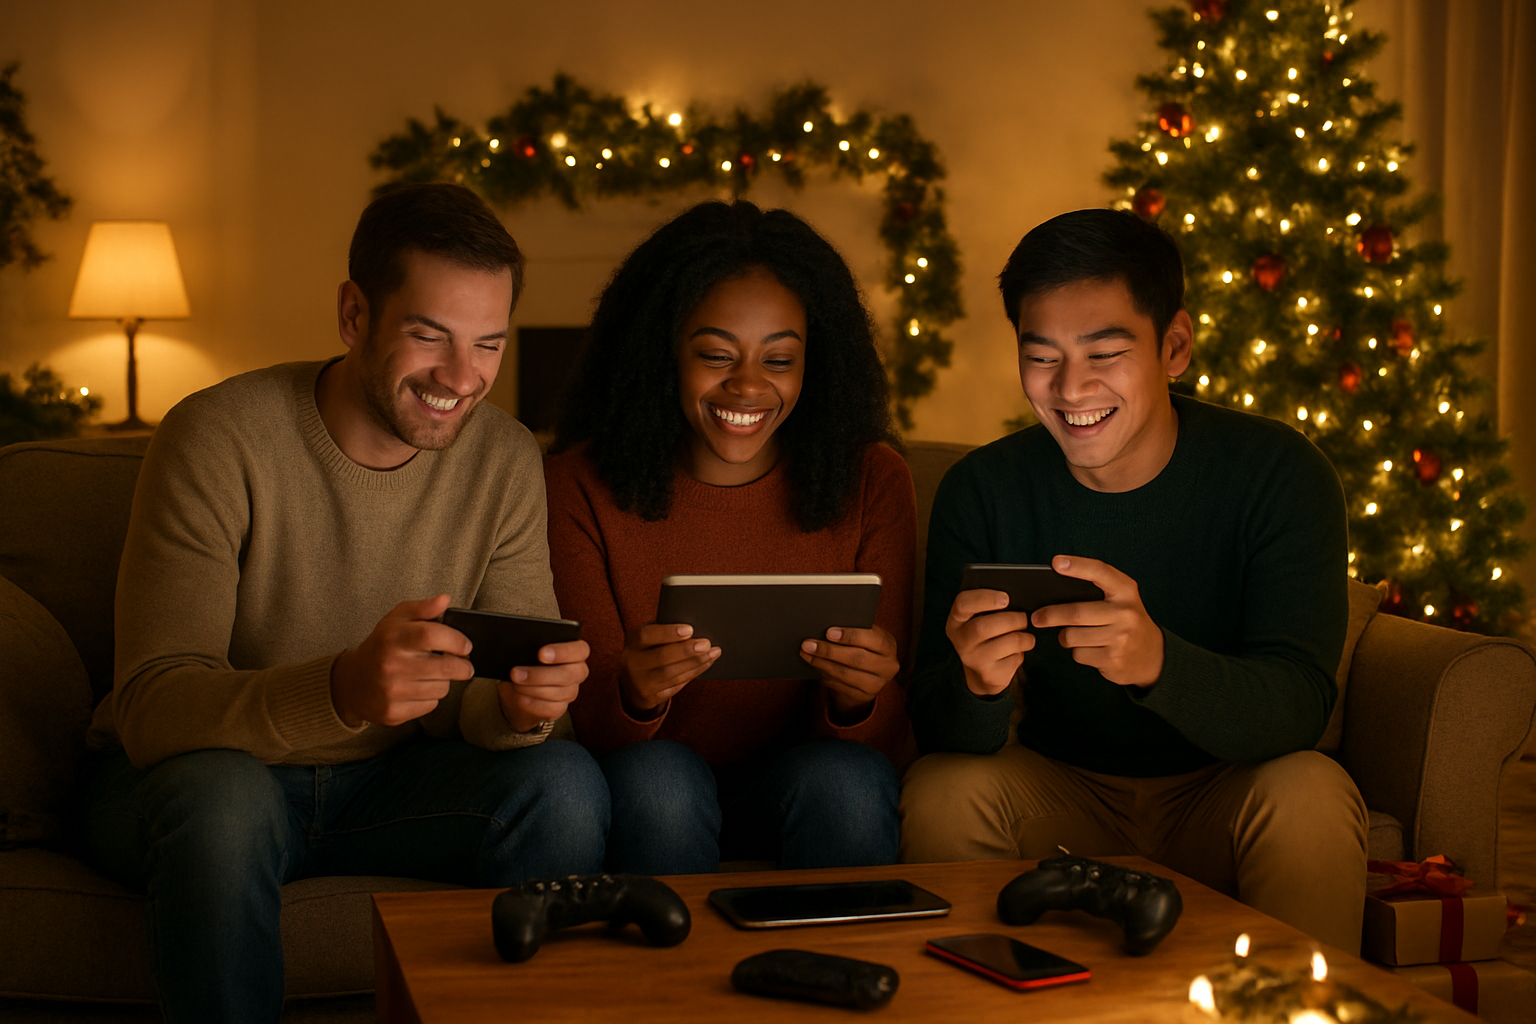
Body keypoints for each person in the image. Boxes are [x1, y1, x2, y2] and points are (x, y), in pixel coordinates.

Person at [79, 183, 609, 1024]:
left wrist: (520, 709)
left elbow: (495, 691)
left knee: (565, 783)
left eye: (488, 344)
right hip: (202, 780)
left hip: (390, 788)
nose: (462, 378)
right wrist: (340, 690)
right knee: (225, 804)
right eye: (429, 335)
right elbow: (152, 706)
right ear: (354, 315)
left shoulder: (505, 457)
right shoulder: (218, 435)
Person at [899, 208, 1369, 954]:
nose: (1070, 387)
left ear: (1173, 346)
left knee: (1309, 791)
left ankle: (1298, 1003)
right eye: (1042, 356)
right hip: (1059, 790)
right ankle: (989, 995)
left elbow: (1299, 708)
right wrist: (978, 689)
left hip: (1226, 790)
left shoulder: (1279, 474)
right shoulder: (982, 490)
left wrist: (1158, 662)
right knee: (942, 790)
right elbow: (937, 729)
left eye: (1105, 353)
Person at [545, 200, 916, 874]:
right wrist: (634, 693)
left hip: (808, 780)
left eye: (780, 359)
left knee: (849, 785)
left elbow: (884, 737)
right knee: (659, 782)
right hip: (652, 783)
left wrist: (858, 695)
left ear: (814, 363)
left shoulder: (872, 480)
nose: (747, 385)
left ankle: (844, 947)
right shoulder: (578, 485)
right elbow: (587, 725)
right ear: (662, 351)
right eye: (716, 355)